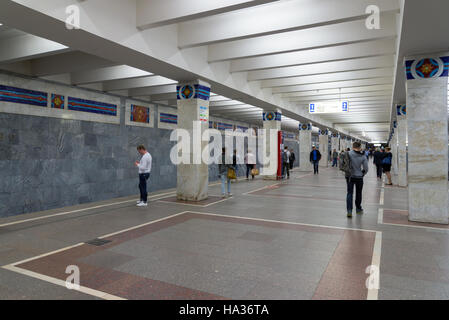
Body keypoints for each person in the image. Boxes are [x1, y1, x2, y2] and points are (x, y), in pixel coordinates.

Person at [341, 142, 369, 218]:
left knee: (349, 193)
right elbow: (366, 168)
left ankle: (349, 211)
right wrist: (362, 173)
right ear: (360, 147)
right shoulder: (363, 155)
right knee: (359, 193)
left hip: (349, 176)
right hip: (359, 177)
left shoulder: (348, 153)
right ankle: (358, 209)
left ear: (352, 146)